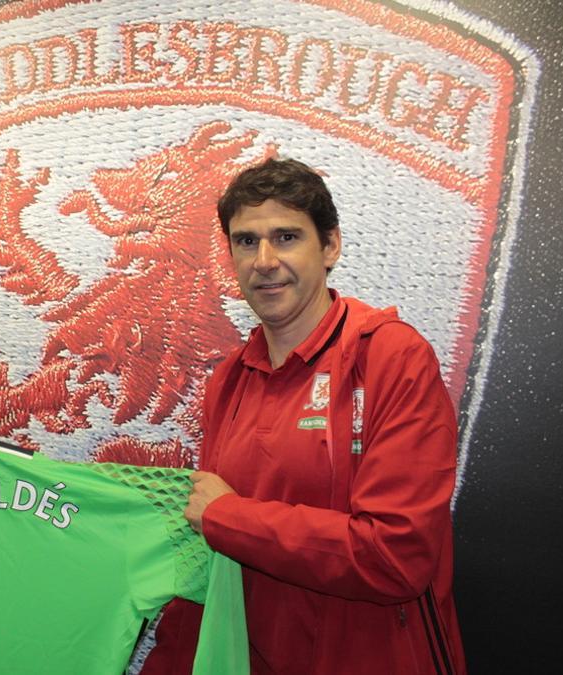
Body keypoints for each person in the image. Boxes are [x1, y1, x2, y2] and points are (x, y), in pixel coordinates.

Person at [142, 158, 466, 674]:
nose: (264, 261)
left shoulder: (390, 359)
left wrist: (231, 519)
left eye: (286, 237)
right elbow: (206, 555)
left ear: (330, 246)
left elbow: (395, 558)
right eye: (246, 242)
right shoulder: (229, 379)